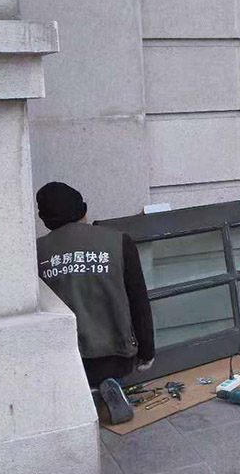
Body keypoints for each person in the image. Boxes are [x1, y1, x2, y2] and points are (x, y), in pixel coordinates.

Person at [35, 182, 154, 424]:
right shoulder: (119, 241)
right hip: (116, 354)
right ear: (83, 211)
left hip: (68, 356)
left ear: (45, 219)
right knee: (112, 371)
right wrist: (147, 350)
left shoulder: (38, 251)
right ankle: (108, 387)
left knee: (71, 377)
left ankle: (86, 393)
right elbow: (138, 300)